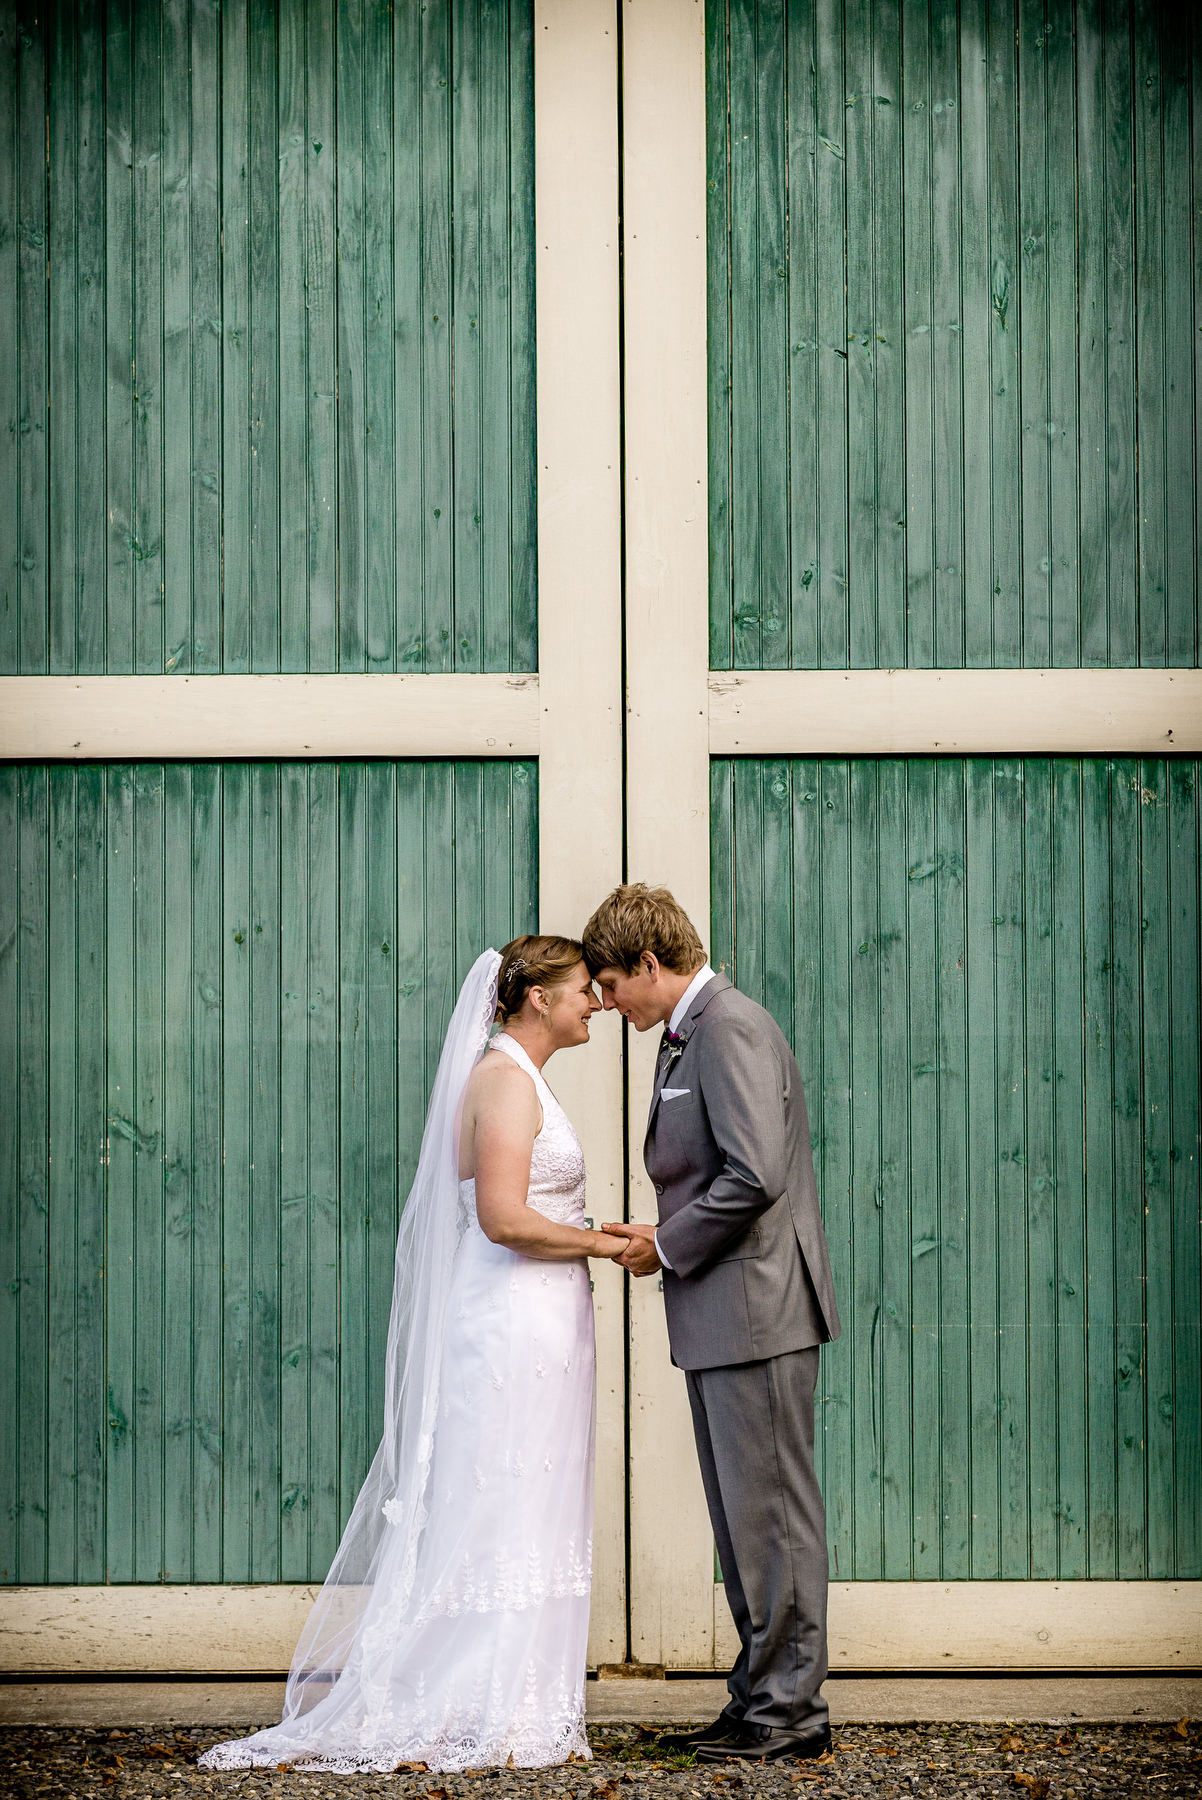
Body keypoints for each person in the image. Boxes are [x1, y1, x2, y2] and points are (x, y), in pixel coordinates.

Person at [199, 937, 628, 1775]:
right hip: (508, 1314)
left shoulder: (521, 1078)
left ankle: (519, 1702)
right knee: (496, 1495)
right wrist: (601, 1244)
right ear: (537, 998)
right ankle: (469, 1700)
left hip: (541, 1315)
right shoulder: (503, 1082)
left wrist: (588, 1245)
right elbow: (503, 1218)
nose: (597, 1002)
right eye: (583, 989)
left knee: (528, 1493)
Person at [583, 884, 841, 1764]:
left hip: (757, 1311)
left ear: (650, 964)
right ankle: (759, 1696)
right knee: (745, 1525)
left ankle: (790, 1715)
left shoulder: (727, 1028)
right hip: (728, 1312)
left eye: (613, 985)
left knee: (773, 1522)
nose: (609, 1005)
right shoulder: (693, 1030)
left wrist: (667, 1244)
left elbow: (754, 1174)